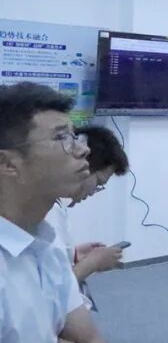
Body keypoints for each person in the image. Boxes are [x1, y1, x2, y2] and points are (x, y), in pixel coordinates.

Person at [0, 83, 112, 343]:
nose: (82, 150)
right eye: (61, 137)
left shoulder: (44, 241)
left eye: (75, 135)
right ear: (8, 164)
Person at [46, 125, 130, 309]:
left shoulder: (54, 206)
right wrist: (92, 264)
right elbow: (49, 293)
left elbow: (49, 266)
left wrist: (73, 254)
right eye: (98, 183)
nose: (93, 192)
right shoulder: (45, 212)